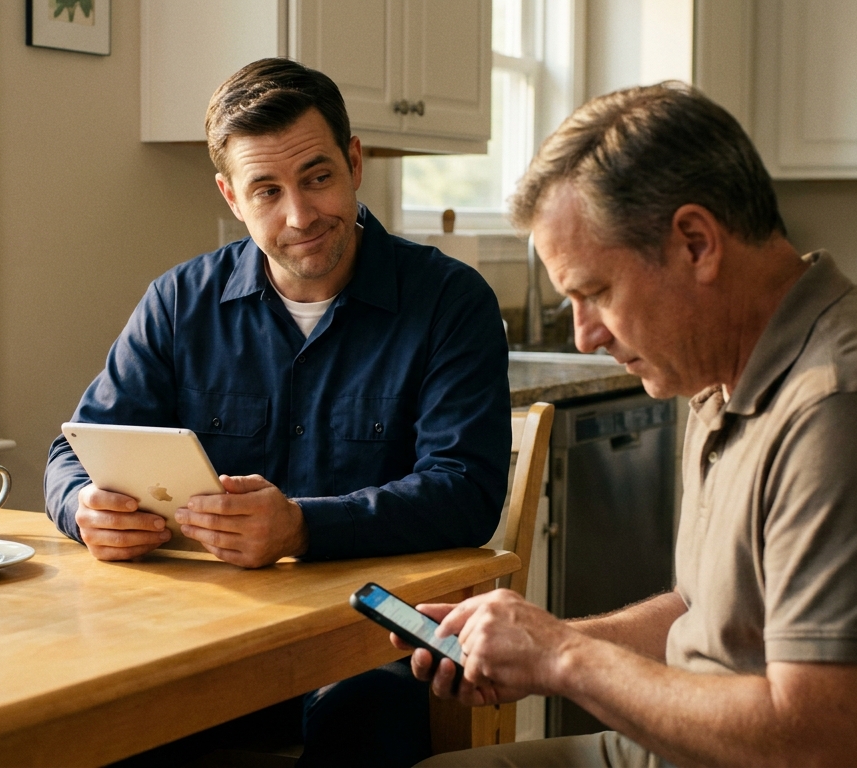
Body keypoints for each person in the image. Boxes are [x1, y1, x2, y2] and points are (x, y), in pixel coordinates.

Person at [399, 82, 857, 768]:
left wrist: (562, 657)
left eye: (595, 293)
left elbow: (820, 746)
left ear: (696, 244)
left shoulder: (849, 408)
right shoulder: (723, 377)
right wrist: (543, 642)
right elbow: (704, 613)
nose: (585, 336)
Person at [43, 58, 511, 767]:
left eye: (318, 177)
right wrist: (83, 508)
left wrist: (300, 524)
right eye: (267, 190)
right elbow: (71, 454)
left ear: (354, 162)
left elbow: (466, 493)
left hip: (373, 641)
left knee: (362, 717)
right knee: (88, 711)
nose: (300, 216)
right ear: (232, 195)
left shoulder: (451, 302)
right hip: (203, 636)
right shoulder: (178, 303)